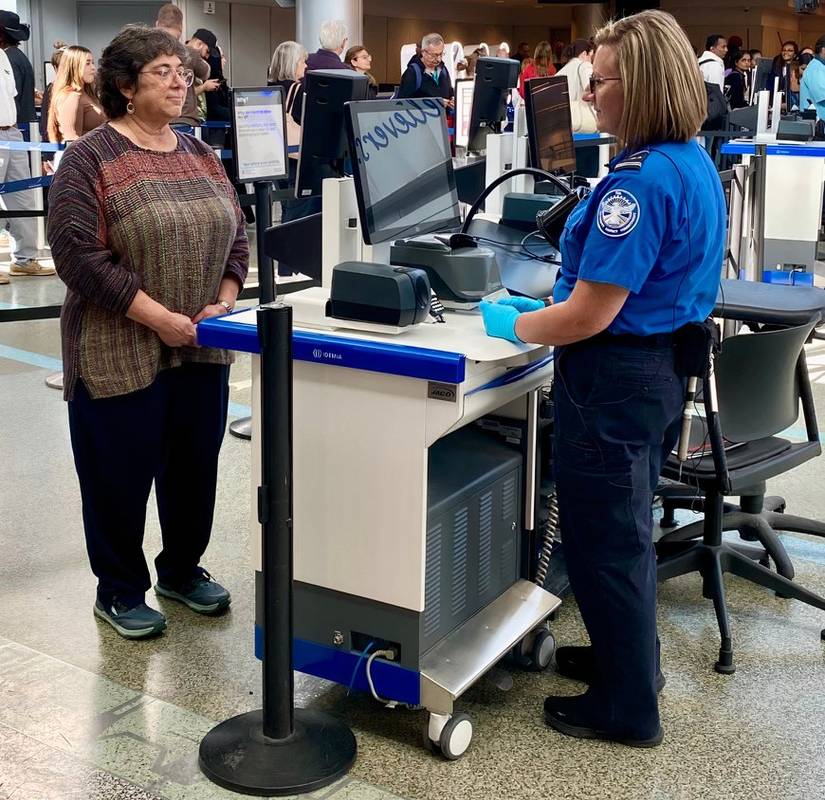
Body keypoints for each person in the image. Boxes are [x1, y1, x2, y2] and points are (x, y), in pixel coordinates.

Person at [480, 9, 726, 747]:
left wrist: (513, 324)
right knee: (623, 530)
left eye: (600, 80)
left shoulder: (635, 186)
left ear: (640, 87)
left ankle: (626, 708)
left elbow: (588, 314)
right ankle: (631, 665)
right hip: (652, 374)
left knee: (604, 538)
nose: (590, 94)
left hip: (614, 377)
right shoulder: (686, 161)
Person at [47, 25, 248, 640]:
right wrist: (160, 318)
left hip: (202, 343)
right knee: (118, 473)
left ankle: (181, 570)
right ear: (125, 86)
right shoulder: (89, 158)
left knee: (194, 467)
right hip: (117, 347)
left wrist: (224, 300)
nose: (181, 80)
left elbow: (236, 234)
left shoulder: (199, 153)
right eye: (164, 70)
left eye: (184, 70)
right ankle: (119, 588)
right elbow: (78, 257)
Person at [0, 11, 53, 283]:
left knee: (21, 197)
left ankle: (25, 258)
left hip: (11, 132)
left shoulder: (6, 58)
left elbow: (13, 98)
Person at [268, 40, 320, 224]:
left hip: (276, 155)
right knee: (297, 211)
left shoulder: (271, 87)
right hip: (295, 158)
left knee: (285, 205)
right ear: (293, 63)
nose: (305, 66)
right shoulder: (298, 89)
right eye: (302, 61)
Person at [155, 4, 217, 126]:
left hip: (155, 122)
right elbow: (206, 73)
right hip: (184, 120)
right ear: (181, 28)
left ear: (157, 24)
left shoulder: (144, 53)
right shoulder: (189, 53)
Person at [47, 46, 106, 143]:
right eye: (87, 63)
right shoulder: (71, 96)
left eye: (92, 62)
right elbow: (70, 138)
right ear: (74, 66)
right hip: (81, 155)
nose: (93, 67)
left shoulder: (85, 94)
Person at [557, 39, 597, 175]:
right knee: (586, 178)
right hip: (584, 133)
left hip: (563, 136)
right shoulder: (585, 66)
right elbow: (593, 90)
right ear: (585, 53)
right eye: (592, 55)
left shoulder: (560, 72)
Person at [398, 33, 453, 105]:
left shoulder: (443, 69)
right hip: (422, 116)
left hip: (444, 115)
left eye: (441, 54)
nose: (438, 59)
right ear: (423, 52)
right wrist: (435, 103)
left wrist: (453, 98)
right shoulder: (412, 72)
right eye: (434, 55)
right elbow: (402, 104)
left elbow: (450, 92)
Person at [767, 40, 799, 107]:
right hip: (775, 103)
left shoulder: (797, 70)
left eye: (790, 50)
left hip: (792, 104)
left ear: (795, 54)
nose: (786, 52)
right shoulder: (775, 67)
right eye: (784, 50)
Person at [800, 35, 825, 119]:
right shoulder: (816, 68)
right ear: (823, 49)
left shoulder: (820, 66)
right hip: (817, 124)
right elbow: (823, 97)